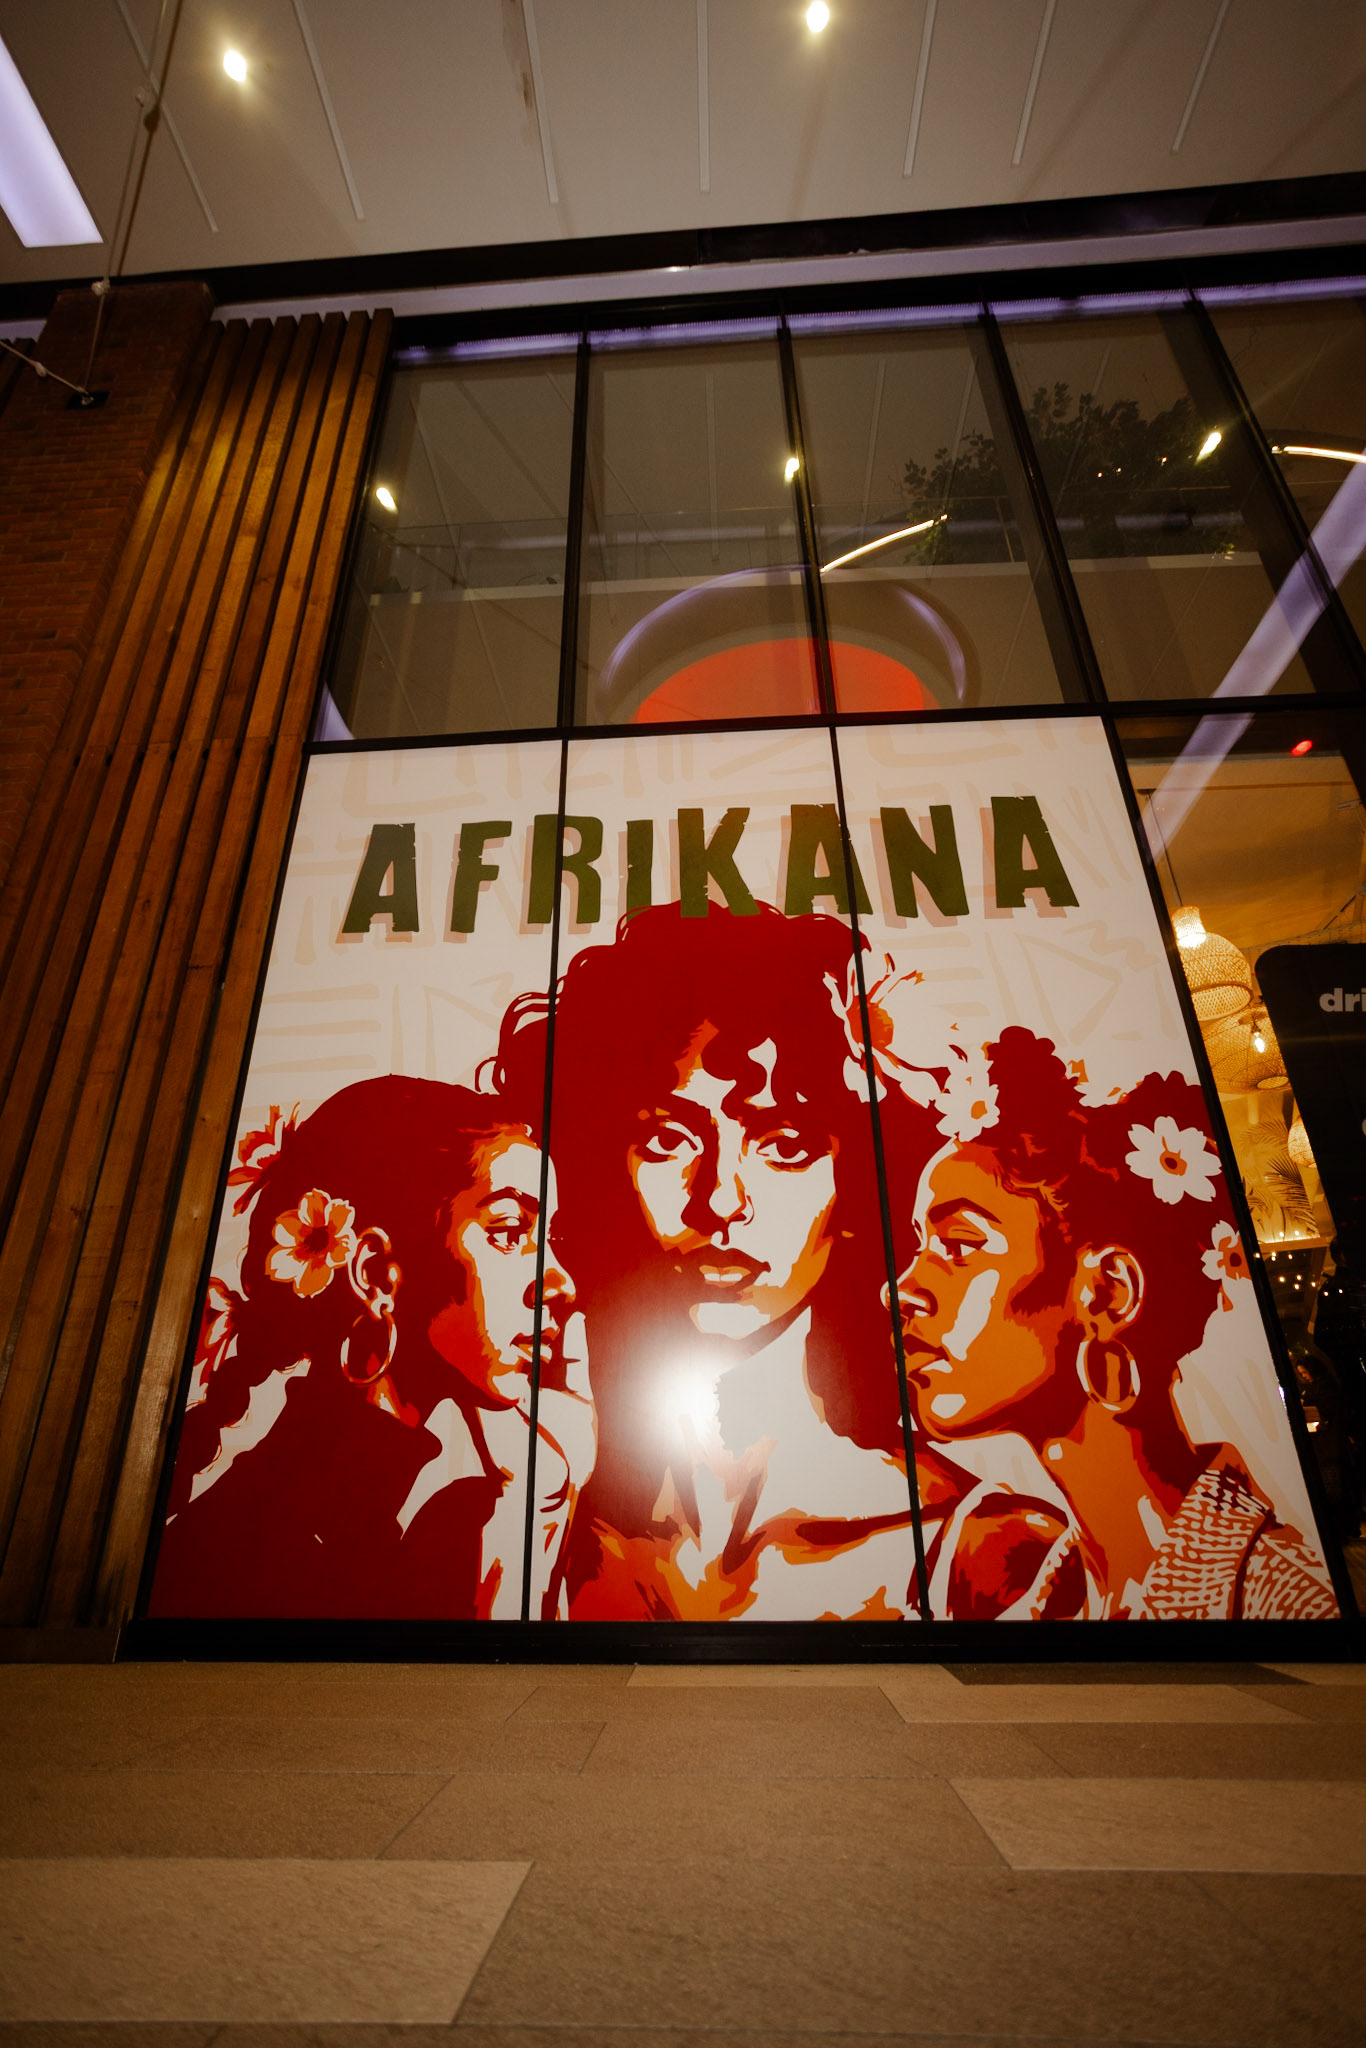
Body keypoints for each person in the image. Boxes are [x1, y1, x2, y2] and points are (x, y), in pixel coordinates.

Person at [494, 902, 961, 1621]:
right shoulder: (526, 1524)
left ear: (857, 1185)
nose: (720, 1201)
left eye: (785, 1147)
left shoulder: (965, 1542)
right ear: (596, 1168)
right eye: (668, 1142)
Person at [890, 1026, 1337, 1620]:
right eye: (918, 1245)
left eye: (960, 1244)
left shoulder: (1284, 1603)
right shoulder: (1050, 1602)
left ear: (1107, 1293)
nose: (900, 1289)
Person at [149, 1075, 588, 1620]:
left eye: (551, 1238)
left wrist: (541, 1503)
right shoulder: (257, 1555)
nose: (562, 1283)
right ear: (377, 1274)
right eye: (508, 1230)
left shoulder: (394, 1523)